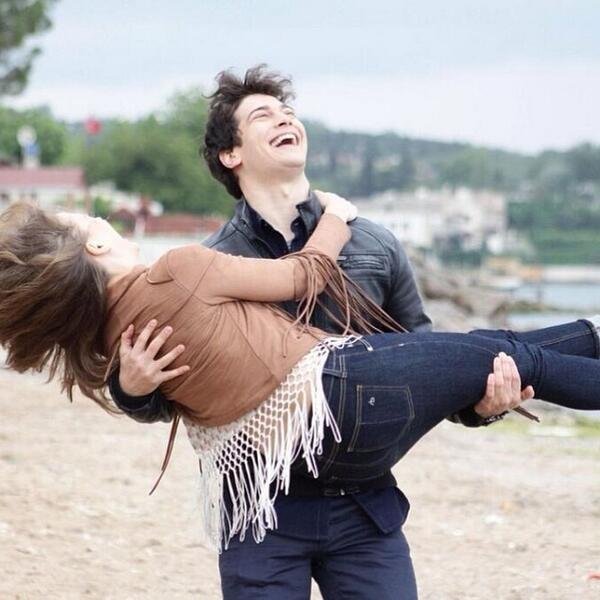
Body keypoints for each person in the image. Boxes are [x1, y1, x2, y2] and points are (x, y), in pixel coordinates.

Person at [1, 199, 600, 600]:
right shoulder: (182, 267)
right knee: (512, 355)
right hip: (344, 398)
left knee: (496, 350)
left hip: (341, 464)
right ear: (95, 248)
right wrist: (337, 216)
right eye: (95, 220)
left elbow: (423, 355)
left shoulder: (111, 345)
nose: (104, 221)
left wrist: (127, 389)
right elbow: (307, 275)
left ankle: (592, 335)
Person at [108, 66, 532, 600]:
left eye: (288, 112)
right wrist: (131, 387)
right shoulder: (206, 264)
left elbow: (424, 360)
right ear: (230, 155)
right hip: (258, 508)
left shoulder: (375, 244)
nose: (285, 118)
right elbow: (174, 395)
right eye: (263, 115)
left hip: (365, 504)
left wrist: (481, 408)